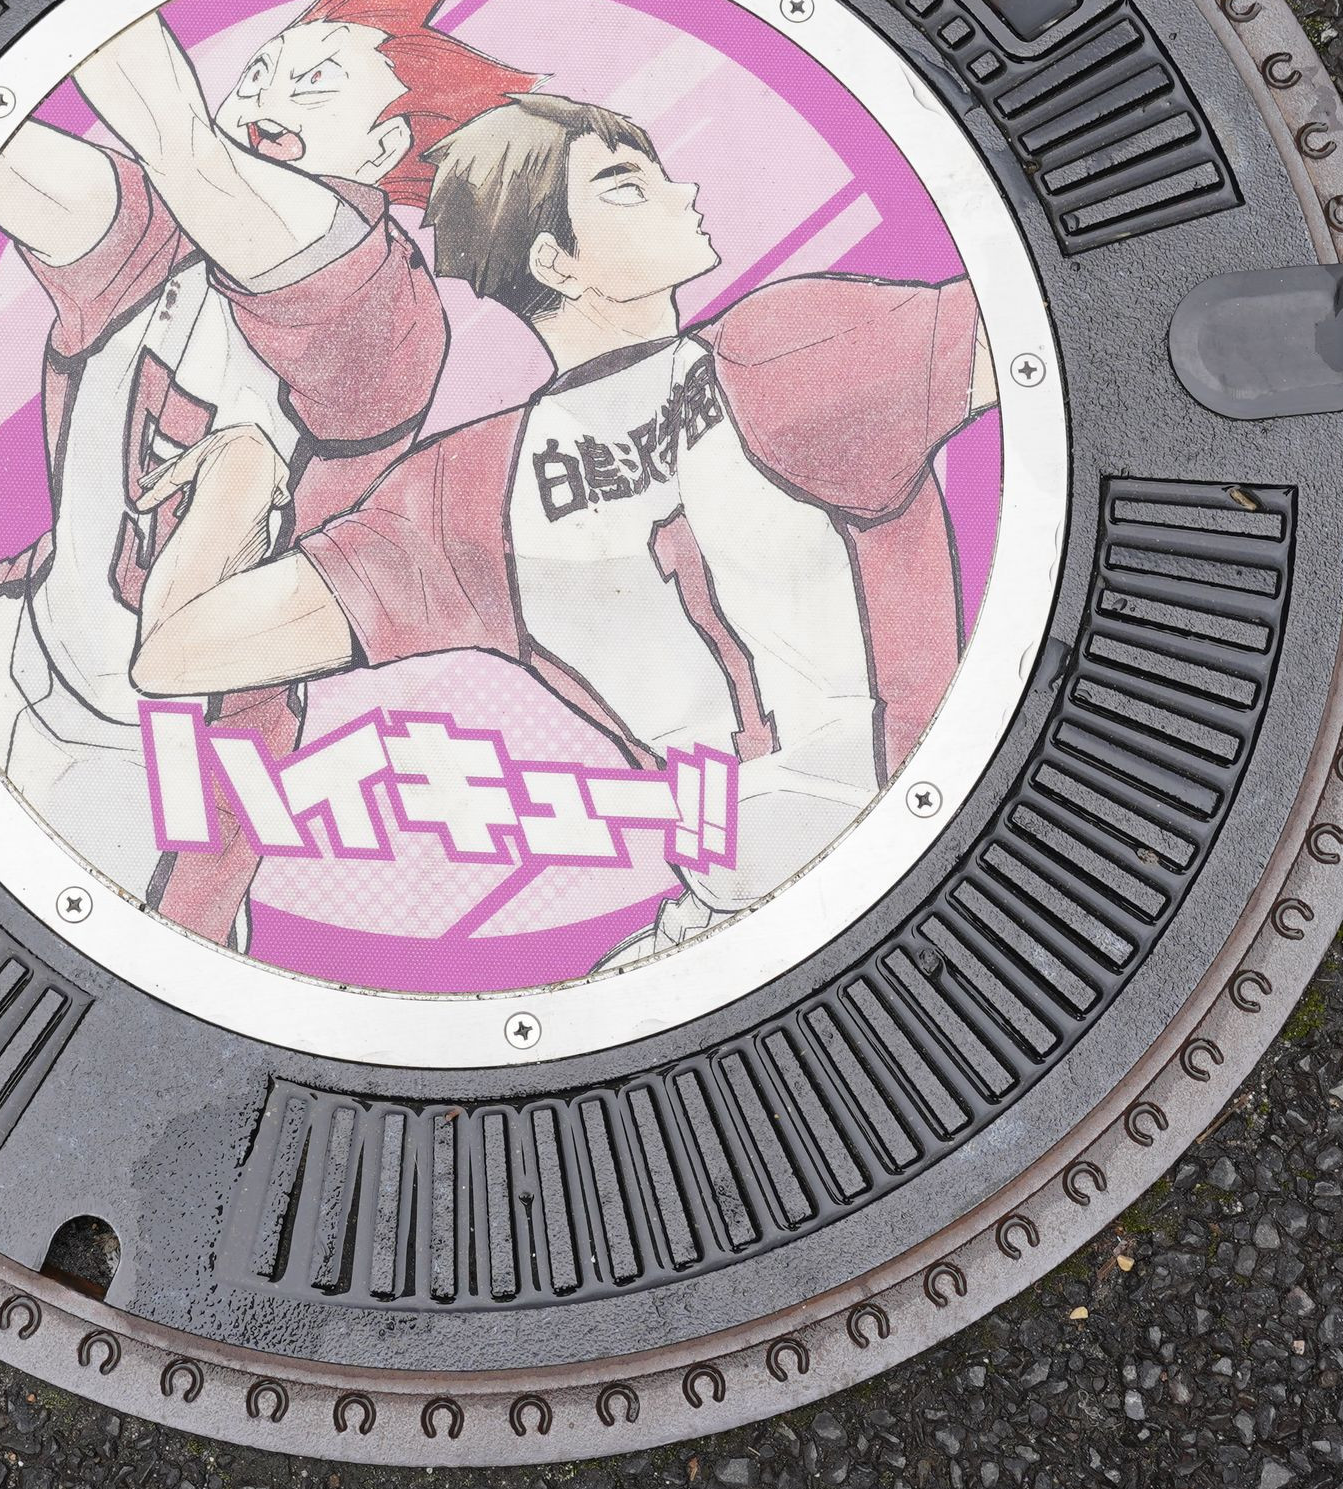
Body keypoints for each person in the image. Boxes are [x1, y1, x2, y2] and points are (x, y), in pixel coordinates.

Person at [133, 91, 995, 963]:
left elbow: (173, 650)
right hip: (928, 876)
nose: (685, 193)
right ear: (555, 261)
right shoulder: (785, 346)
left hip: (762, 923)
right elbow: (1056, 339)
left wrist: (240, 473)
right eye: (628, 185)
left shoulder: (466, 486)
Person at [0, 0, 533, 924]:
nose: (262, 99)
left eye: (311, 84)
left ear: (382, 150)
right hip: (6, 638)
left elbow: (184, 144)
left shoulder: (382, 301)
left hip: (161, 762)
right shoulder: (164, 229)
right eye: (258, 73)